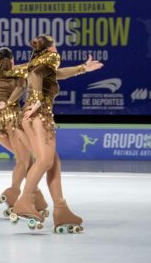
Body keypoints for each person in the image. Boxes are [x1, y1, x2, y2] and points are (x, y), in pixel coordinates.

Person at [8, 35, 103, 232]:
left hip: (27, 117)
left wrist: (82, 68)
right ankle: (25, 200)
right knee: (44, 161)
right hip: (38, 116)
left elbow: (57, 74)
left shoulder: (41, 63)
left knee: (54, 164)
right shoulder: (49, 59)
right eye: (56, 47)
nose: (57, 51)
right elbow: (36, 74)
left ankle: (61, 209)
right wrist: (37, 99)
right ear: (51, 49)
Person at [0, 47, 43, 217]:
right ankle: (12, 193)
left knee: (26, 159)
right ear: (13, 60)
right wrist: (9, 102)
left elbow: (6, 71)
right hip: (12, 119)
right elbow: (21, 86)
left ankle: (37, 200)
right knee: (24, 161)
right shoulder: (19, 74)